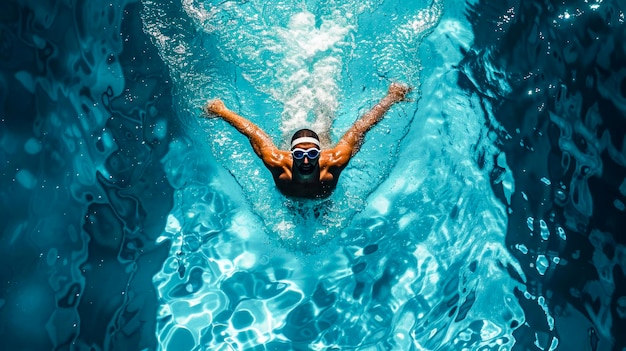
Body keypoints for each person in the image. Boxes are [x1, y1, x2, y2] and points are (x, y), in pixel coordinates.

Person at [203, 83, 411, 198]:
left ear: (320, 154)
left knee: (324, 128)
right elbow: (254, 133)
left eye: (312, 154)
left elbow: (359, 129)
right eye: (299, 154)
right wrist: (222, 111)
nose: (305, 160)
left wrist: (391, 98)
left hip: (323, 200)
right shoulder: (277, 163)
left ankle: (323, 112)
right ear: (291, 154)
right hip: (292, 201)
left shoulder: (334, 162)